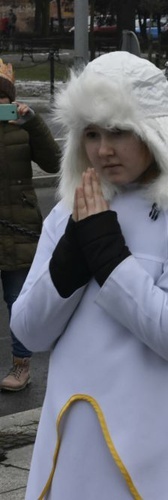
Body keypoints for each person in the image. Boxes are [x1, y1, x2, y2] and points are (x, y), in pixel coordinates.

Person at [9, 52, 168, 498]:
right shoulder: (70, 210)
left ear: (154, 132)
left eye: (120, 132)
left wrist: (108, 255)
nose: (103, 150)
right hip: (70, 449)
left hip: (154, 453)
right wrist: (71, 260)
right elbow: (29, 332)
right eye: (91, 133)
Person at [0, 58, 60, 392]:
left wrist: (33, 122)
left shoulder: (22, 126)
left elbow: (53, 162)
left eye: (2, 96)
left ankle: (21, 367)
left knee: (17, 299)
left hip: (18, 227)